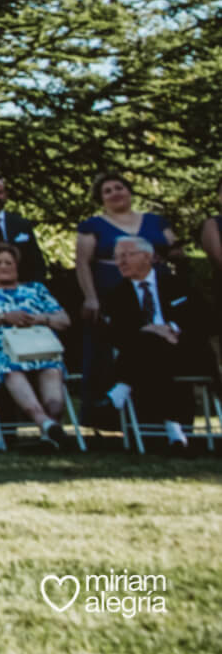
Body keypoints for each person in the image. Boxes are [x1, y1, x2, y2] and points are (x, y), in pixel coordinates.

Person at [101, 234, 216, 455]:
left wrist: (172, 327)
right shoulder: (116, 295)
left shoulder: (177, 284)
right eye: (117, 257)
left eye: (127, 255)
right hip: (146, 358)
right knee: (151, 344)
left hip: (184, 354)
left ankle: (121, 389)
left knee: (151, 347)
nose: (121, 262)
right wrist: (153, 330)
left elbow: (207, 320)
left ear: (148, 256)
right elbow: (115, 336)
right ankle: (174, 431)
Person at [75, 173, 178, 399]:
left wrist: (164, 257)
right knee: (126, 342)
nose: (115, 193)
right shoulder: (93, 225)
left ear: (129, 191)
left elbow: (176, 249)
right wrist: (90, 297)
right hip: (115, 291)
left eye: (119, 187)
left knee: (162, 339)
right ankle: (112, 405)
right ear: (100, 199)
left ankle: (163, 408)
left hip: (155, 289)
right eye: (107, 191)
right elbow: (82, 262)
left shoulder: (155, 221)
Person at [0, 241, 72, 449]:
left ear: (17, 266)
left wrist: (40, 319)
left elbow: (64, 320)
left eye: (9, 262)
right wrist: (4, 317)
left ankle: (51, 430)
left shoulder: (36, 290)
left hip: (41, 349)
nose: (4, 266)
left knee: (52, 371)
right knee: (11, 368)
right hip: (2, 352)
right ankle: (46, 424)